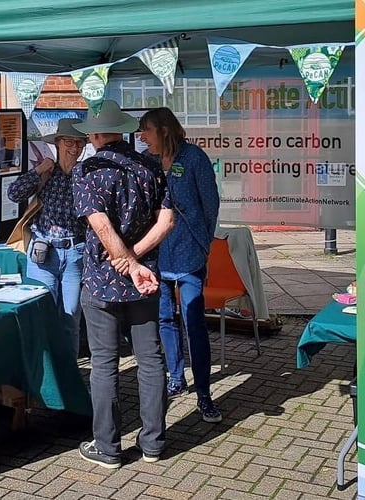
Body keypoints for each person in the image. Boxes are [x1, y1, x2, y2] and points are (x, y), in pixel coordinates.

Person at [71, 100, 174, 469]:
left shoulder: (88, 169)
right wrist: (136, 260)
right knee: (150, 360)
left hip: (102, 280)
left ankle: (108, 448)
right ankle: (153, 444)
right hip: (145, 280)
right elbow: (167, 221)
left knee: (104, 364)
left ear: (95, 135)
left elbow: (99, 224)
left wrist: (126, 262)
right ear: (124, 130)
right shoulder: (151, 166)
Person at [138, 107, 222, 423]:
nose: (142, 137)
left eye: (146, 130)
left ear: (164, 130)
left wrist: (204, 243)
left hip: (190, 253)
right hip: (159, 254)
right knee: (164, 319)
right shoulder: (146, 161)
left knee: (194, 321)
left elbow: (210, 204)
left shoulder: (194, 158)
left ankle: (204, 394)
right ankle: (176, 377)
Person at [7, 118, 87, 360]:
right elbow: (14, 193)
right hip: (44, 253)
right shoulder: (47, 172)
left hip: (75, 253)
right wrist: (38, 170)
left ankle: (70, 373)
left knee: (71, 316)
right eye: (69, 142)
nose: (75, 148)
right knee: (42, 314)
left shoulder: (85, 174)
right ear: (58, 143)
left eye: (80, 142)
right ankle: (45, 374)